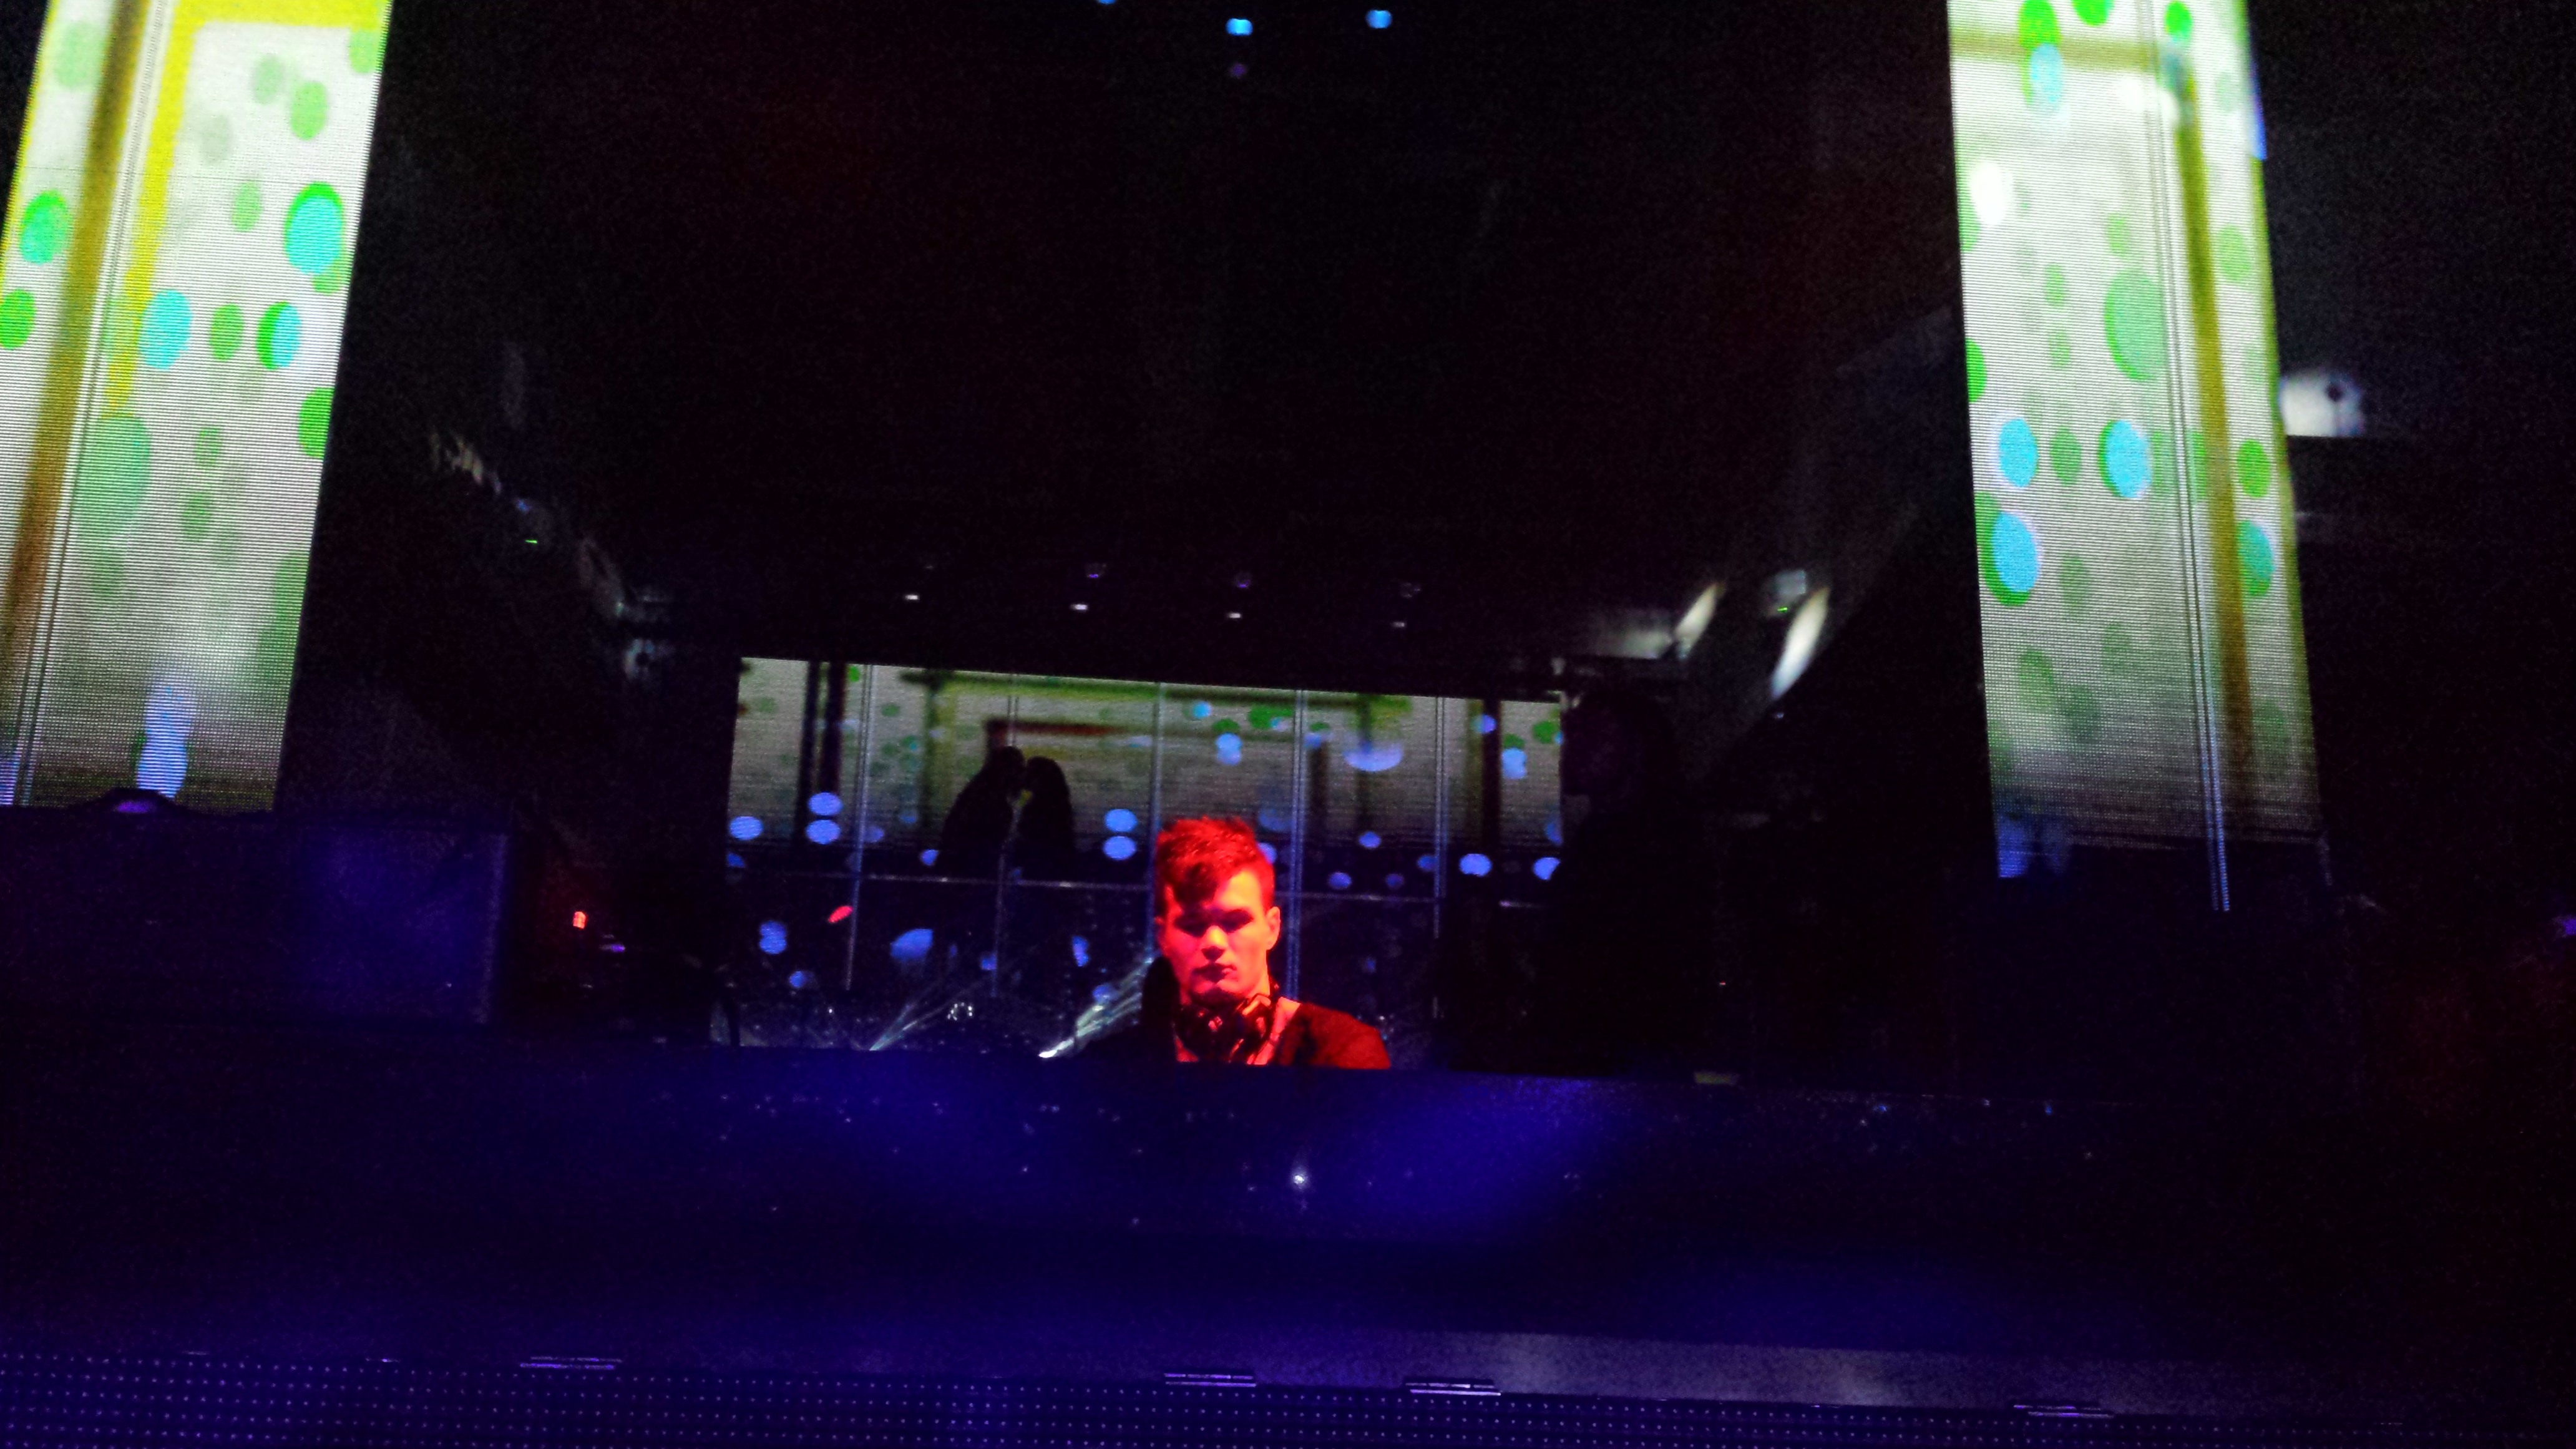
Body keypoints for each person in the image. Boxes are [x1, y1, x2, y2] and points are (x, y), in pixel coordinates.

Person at [1517, 684, 1717, 1077]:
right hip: (1622, 1053)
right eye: (1575, 735)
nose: (1573, 749)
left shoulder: (1652, 836)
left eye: (1593, 735)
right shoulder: (1625, 831)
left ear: (1633, 746)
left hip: (1622, 1053)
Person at [1088, 817, 1389, 1068]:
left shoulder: (1342, 1049)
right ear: (1162, 937)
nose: (1214, 942)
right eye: (1193, 925)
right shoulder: (1108, 1066)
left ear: (1272, 928)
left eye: (1234, 922)